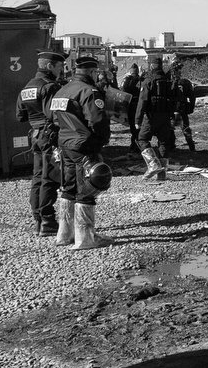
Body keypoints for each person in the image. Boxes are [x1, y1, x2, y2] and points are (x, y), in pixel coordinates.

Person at [49, 55, 111, 249]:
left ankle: (64, 234)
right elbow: (98, 120)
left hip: (65, 144)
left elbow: (54, 119)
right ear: (92, 72)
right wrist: (100, 141)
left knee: (69, 188)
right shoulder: (88, 91)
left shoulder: (61, 91)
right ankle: (85, 238)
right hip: (84, 145)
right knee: (88, 188)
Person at [15, 50, 66, 236]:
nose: (61, 71)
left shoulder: (27, 87)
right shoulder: (49, 87)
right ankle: (48, 220)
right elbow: (55, 115)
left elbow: (20, 116)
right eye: (60, 67)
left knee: (37, 177)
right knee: (50, 177)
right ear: (49, 66)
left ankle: (37, 218)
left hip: (34, 135)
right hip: (49, 135)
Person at [134, 57, 177, 181]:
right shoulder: (168, 81)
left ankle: (153, 165)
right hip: (166, 117)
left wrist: (138, 120)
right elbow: (174, 99)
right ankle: (162, 174)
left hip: (151, 117)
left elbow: (142, 101)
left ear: (151, 66)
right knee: (163, 142)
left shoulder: (148, 81)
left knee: (142, 139)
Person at [169, 62, 197, 152]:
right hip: (181, 109)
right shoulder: (185, 82)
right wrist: (191, 107)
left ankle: (172, 146)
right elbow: (192, 96)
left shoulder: (167, 82)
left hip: (172, 109)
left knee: (170, 129)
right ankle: (191, 147)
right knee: (185, 129)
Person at [120, 63, 143, 150]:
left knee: (133, 126)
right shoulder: (141, 80)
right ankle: (136, 143)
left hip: (131, 105)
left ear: (130, 71)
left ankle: (135, 144)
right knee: (138, 125)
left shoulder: (127, 79)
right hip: (140, 105)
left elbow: (123, 91)